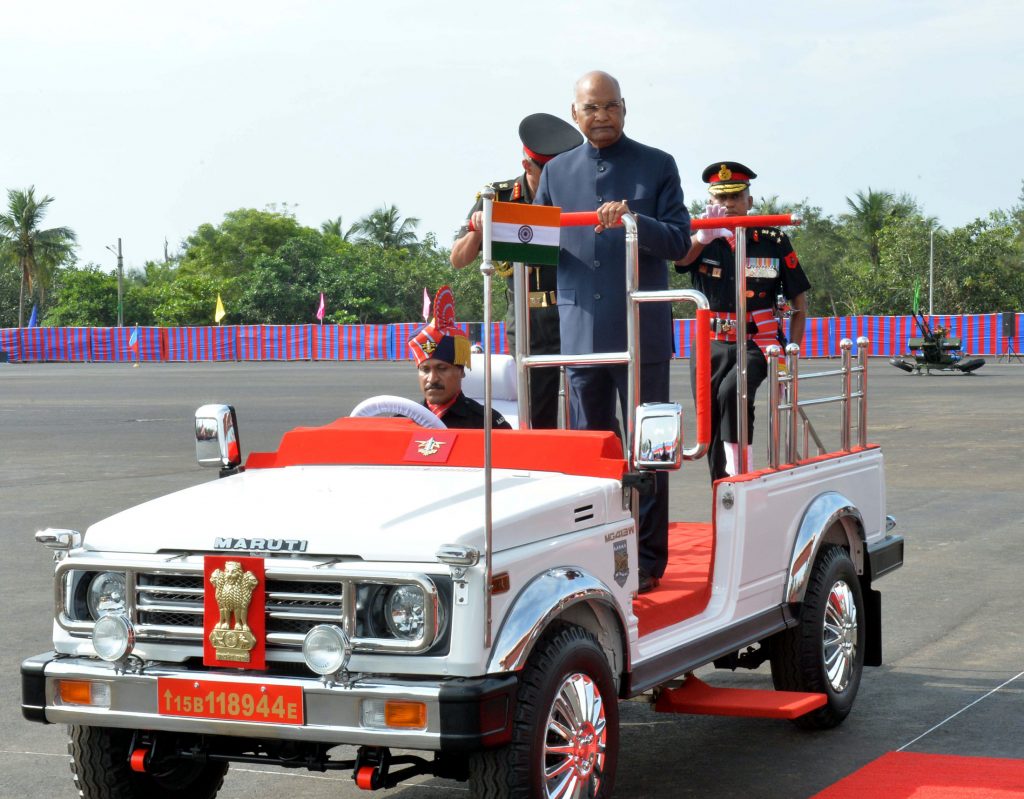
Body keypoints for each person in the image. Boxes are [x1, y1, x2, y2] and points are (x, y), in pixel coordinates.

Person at [534, 71, 691, 593]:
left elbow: (679, 240)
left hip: (641, 335)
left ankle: (647, 562)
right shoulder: (555, 172)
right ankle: (593, 557)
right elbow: (533, 246)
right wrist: (497, 225)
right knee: (590, 454)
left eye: (609, 107)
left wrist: (634, 222)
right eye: (590, 108)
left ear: (625, 108)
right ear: (574, 114)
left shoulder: (657, 164)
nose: (600, 116)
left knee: (649, 453)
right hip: (580, 338)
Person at [675, 161, 810, 481]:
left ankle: (742, 475)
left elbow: (798, 302)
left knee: (732, 392)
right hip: (711, 343)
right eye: (721, 198)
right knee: (708, 419)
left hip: (757, 341)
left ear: (749, 201)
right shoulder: (703, 236)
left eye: (735, 197)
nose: (728, 204)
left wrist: (792, 349)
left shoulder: (772, 241)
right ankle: (720, 488)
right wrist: (702, 239)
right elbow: (680, 261)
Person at [450, 112, 583, 429]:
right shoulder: (498, 197)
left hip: (574, 311)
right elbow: (458, 259)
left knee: (587, 403)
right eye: (549, 172)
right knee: (536, 410)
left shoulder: (576, 196)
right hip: (528, 320)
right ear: (528, 167)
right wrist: (479, 230)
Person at [409, 286, 512, 430]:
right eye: (425, 369)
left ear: (461, 371)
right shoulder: (406, 421)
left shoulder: (487, 424)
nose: (432, 379)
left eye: (442, 368)